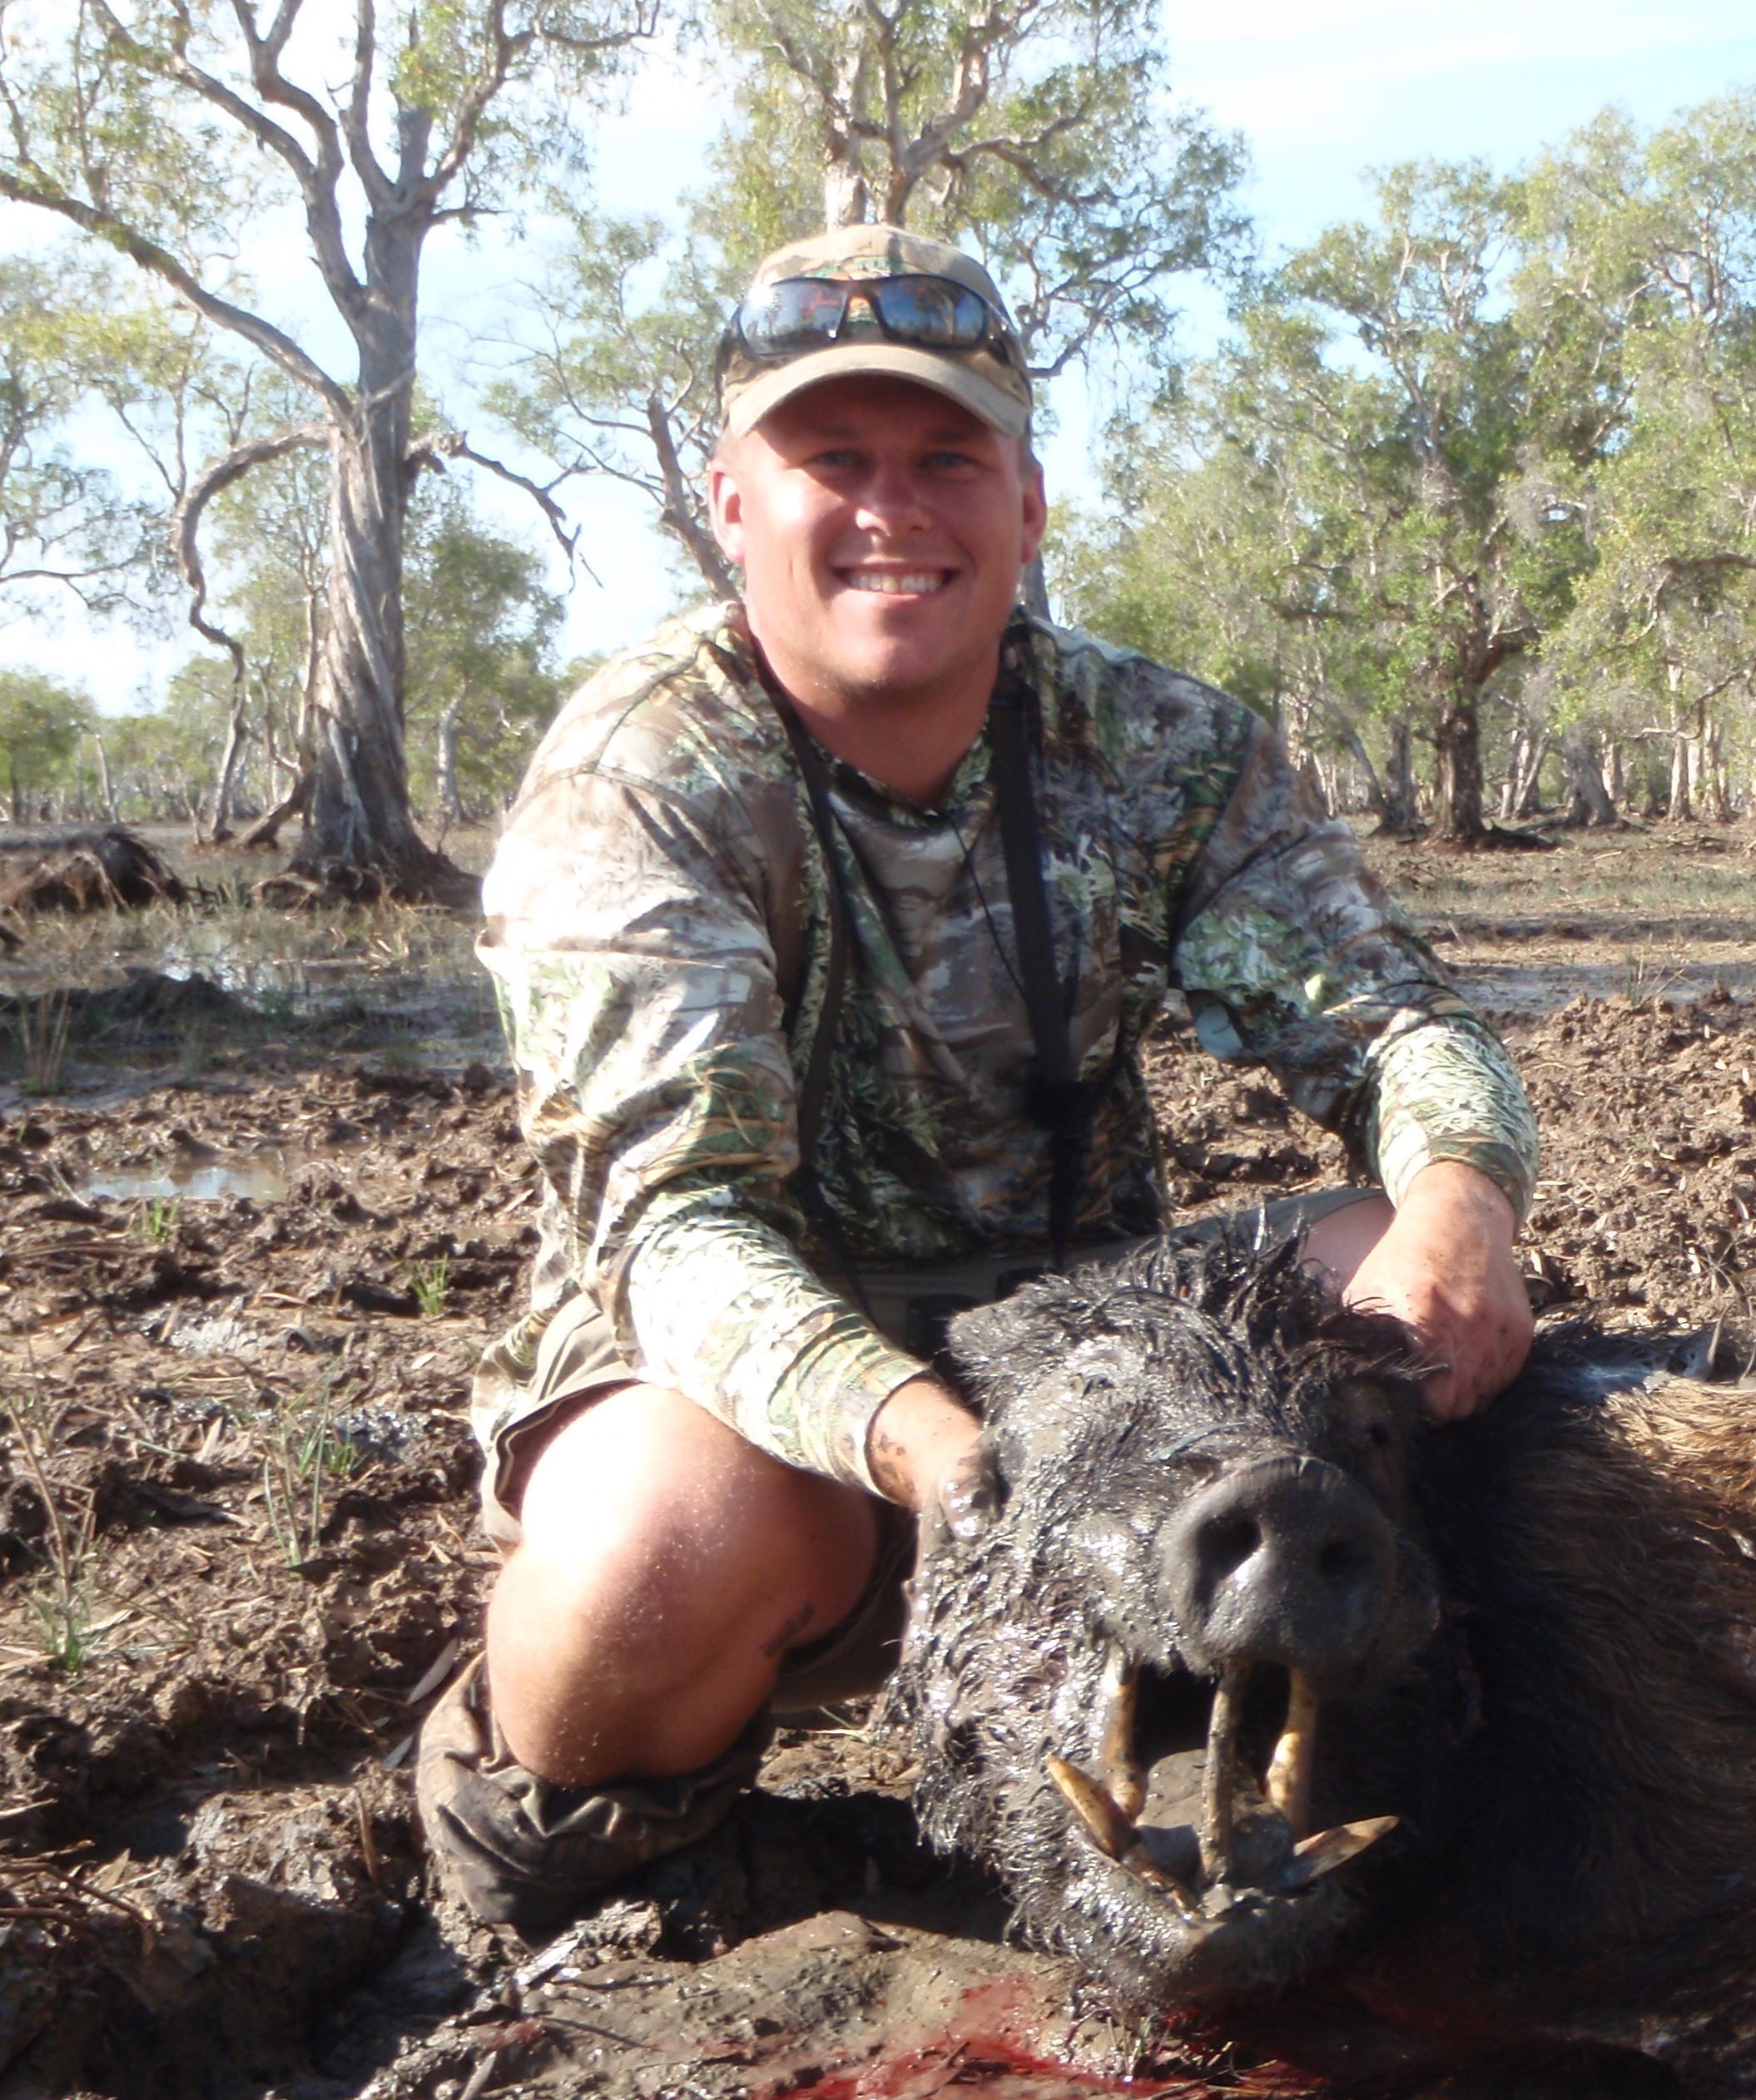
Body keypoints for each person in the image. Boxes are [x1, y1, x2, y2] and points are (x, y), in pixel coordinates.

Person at [417, 226, 1541, 1929]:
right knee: (664, 1545)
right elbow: (678, 1237)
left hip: (1097, 1353)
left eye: (948, 458)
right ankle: (557, 1821)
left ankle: (1378, 1744)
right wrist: (958, 1470)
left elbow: (1396, 1026)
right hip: (760, 1400)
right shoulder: (641, 776)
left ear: (1026, 503)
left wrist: (1462, 1195)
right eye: (832, 462)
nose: (895, 509)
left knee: (1385, 1277)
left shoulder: (1157, 744)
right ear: (732, 503)